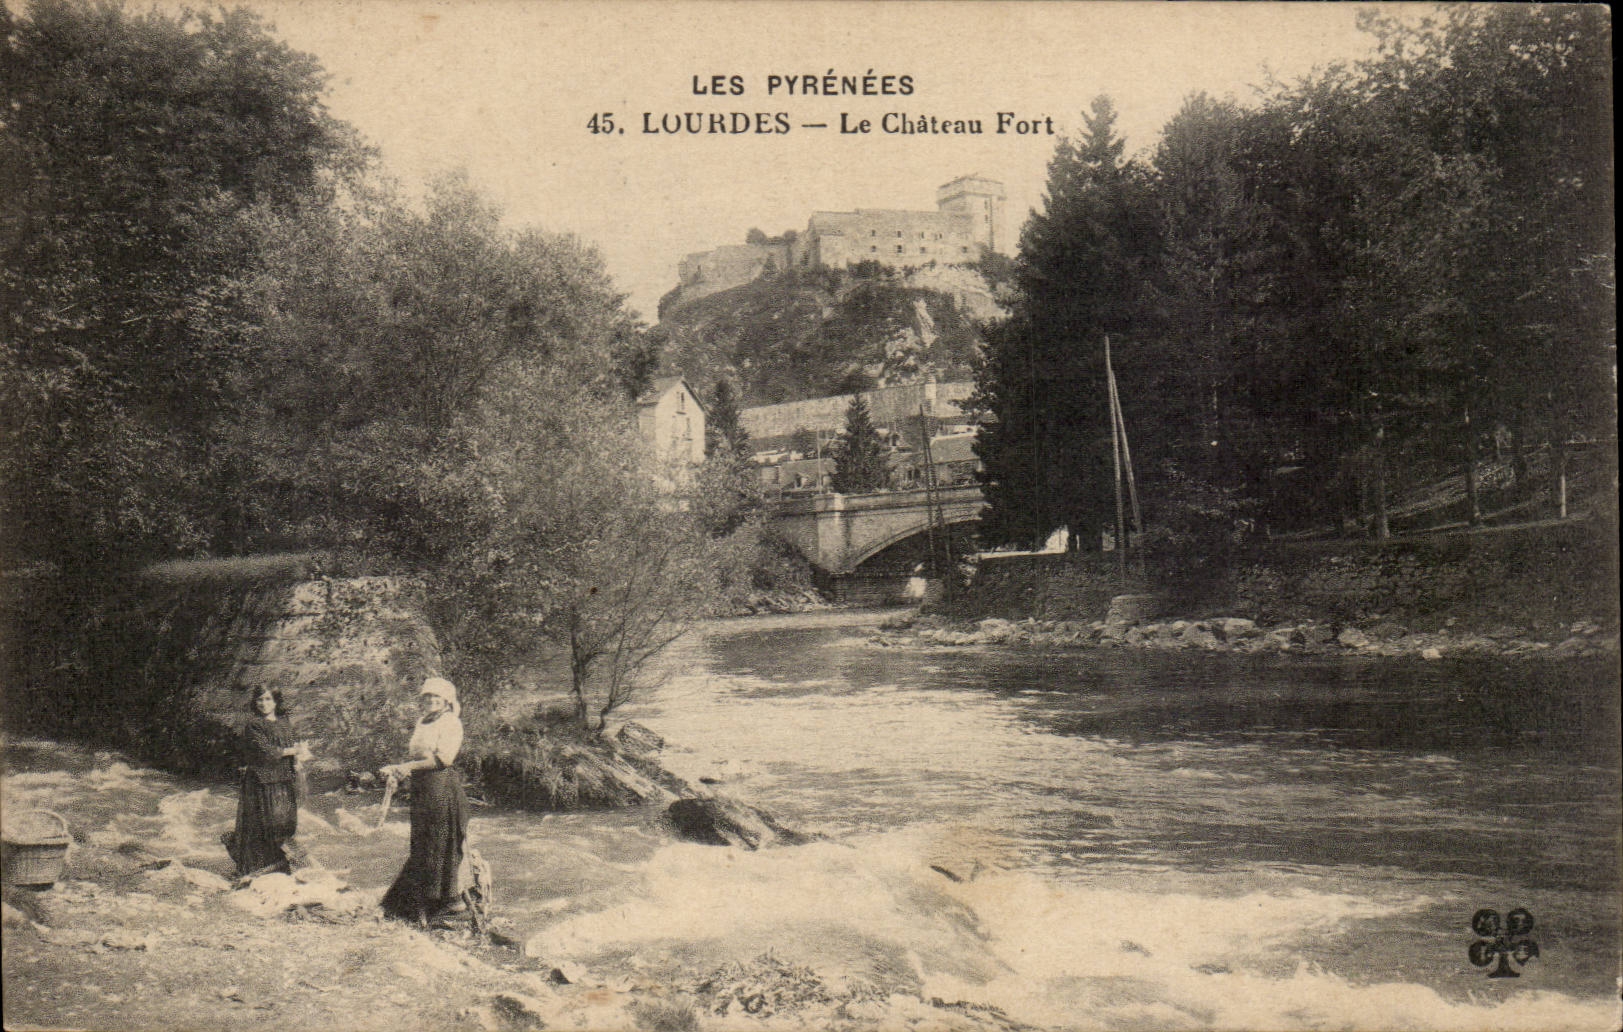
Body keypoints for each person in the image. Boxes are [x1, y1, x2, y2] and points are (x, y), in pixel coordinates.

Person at [379, 676, 469, 926]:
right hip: (423, 789)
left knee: (440, 844)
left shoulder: (451, 722)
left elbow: (443, 760)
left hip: (442, 789)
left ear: (446, 700)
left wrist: (407, 767)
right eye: (426, 696)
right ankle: (419, 904)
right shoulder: (422, 721)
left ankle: (448, 903)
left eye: (435, 696)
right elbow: (418, 756)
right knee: (422, 844)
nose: (430, 700)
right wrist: (400, 772)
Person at [226, 687, 312, 881]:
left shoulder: (284, 723)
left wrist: (299, 758)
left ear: (276, 702)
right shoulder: (253, 725)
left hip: (283, 779)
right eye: (259, 700)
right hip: (261, 781)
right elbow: (266, 752)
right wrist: (293, 751)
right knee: (262, 824)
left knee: (285, 823)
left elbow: (293, 745)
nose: (263, 704)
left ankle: (280, 867)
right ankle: (256, 870)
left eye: (267, 699)